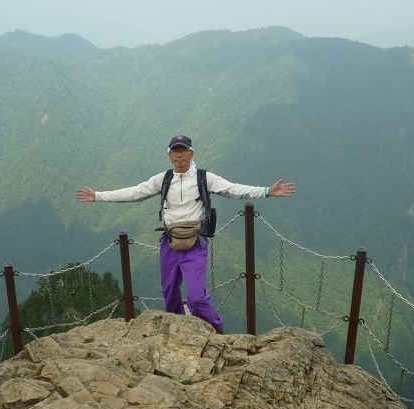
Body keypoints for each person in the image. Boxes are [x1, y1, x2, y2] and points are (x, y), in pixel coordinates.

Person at [76, 135, 296, 333]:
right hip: (169, 242)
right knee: (170, 296)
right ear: (169, 155)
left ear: (191, 154)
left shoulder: (204, 178)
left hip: (195, 244)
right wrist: (98, 196)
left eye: (183, 151)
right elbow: (134, 192)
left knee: (196, 298)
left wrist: (266, 192)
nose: (179, 155)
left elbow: (233, 189)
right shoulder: (162, 180)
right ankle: (179, 332)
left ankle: (217, 331)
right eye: (175, 151)